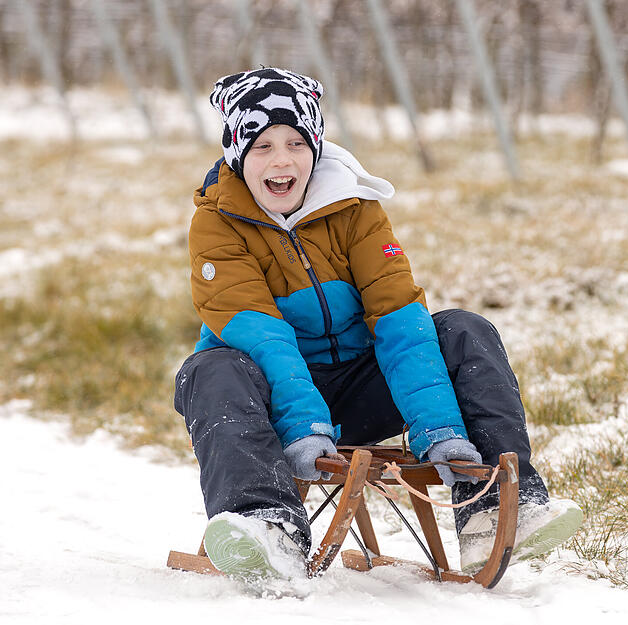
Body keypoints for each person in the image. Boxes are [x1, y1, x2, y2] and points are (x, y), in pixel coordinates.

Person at [173, 67, 582, 581]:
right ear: (237, 153)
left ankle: (494, 508)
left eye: (297, 142)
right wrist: (303, 424)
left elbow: (398, 318)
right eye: (263, 146)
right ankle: (267, 524)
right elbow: (260, 334)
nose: (282, 160)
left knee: (462, 329)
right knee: (209, 368)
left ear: (316, 147)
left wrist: (440, 428)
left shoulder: (355, 206)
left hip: (363, 389)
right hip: (269, 400)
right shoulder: (215, 221)